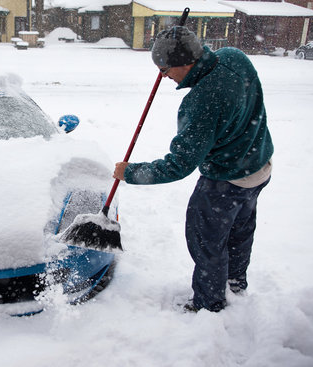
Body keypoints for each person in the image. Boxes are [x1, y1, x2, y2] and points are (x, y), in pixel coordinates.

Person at [113, 26, 273, 312]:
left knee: (208, 243)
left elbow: (179, 165)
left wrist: (130, 173)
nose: (163, 76)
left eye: (164, 69)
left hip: (227, 180)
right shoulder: (234, 57)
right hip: (259, 166)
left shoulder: (201, 101)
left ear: (185, 63)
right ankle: (236, 282)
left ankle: (209, 305)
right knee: (240, 231)